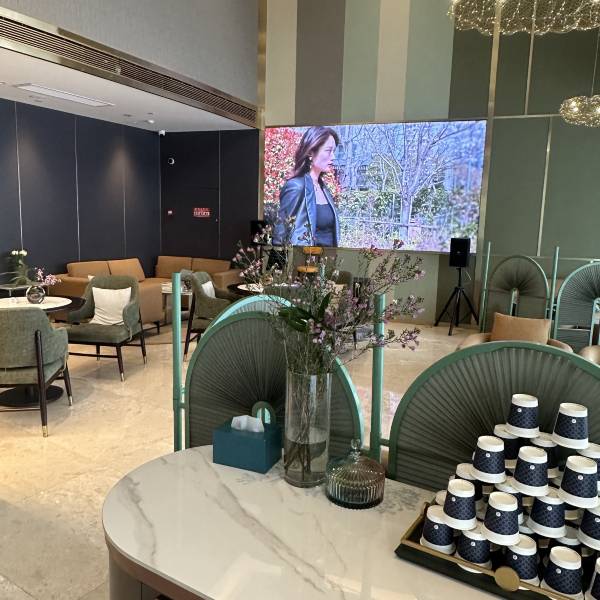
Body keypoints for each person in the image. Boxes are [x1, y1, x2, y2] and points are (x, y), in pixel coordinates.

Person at [273, 126, 340, 247]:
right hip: (304, 258)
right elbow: (280, 235)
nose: (333, 157)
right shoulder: (296, 186)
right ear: (310, 152)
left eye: (334, 151)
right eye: (328, 150)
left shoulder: (324, 188)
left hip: (328, 258)